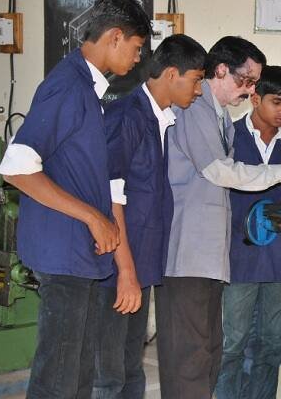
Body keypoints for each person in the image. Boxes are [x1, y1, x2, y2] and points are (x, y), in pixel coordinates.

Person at [0, 0, 151, 398]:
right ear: (115, 37)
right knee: (58, 380)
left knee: (80, 376)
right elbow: (17, 167)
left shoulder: (88, 89)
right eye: (136, 48)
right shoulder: (68, 86)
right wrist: (93, 217)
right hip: (62, 254)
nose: (138, 59)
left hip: (80, 257)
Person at [155, 36, 281, 398]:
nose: (248, 91)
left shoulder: (219, 117)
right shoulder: (196, 109)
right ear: (220, 71)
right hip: (188, 253)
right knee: (193, 354)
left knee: (211, 349)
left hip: (211, 257)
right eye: (246, 82)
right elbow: (221, 171)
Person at [92, 34, 206, 399]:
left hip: (139, 265)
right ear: (172, 74)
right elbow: (110, 199)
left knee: (130, 368)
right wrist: (125, 272)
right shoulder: (127, 117)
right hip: (116, 269)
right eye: (196, 80)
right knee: (107, 376)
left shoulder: (158, 120)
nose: (199, 91)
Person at [216, 66, 281, 399]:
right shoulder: (230, 137)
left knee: (273, 341)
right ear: (255, 99)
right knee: (232, 343)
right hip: (238, 257)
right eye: (276, 102)